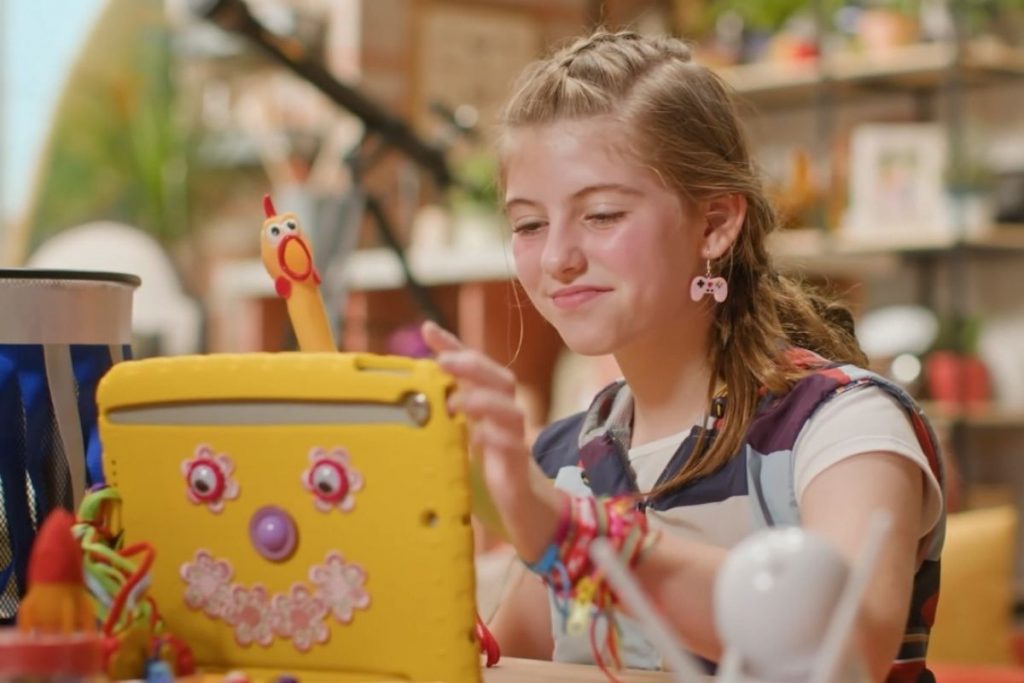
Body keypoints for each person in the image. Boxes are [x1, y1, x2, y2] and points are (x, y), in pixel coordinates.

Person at [421, 29, 944, 683]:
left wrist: (571, 536)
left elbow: (845, 645)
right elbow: (503, 665)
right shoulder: (569, 458)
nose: (556, 258)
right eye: (528, 224)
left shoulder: (844, 426)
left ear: (715, 224)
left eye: (602, 214)